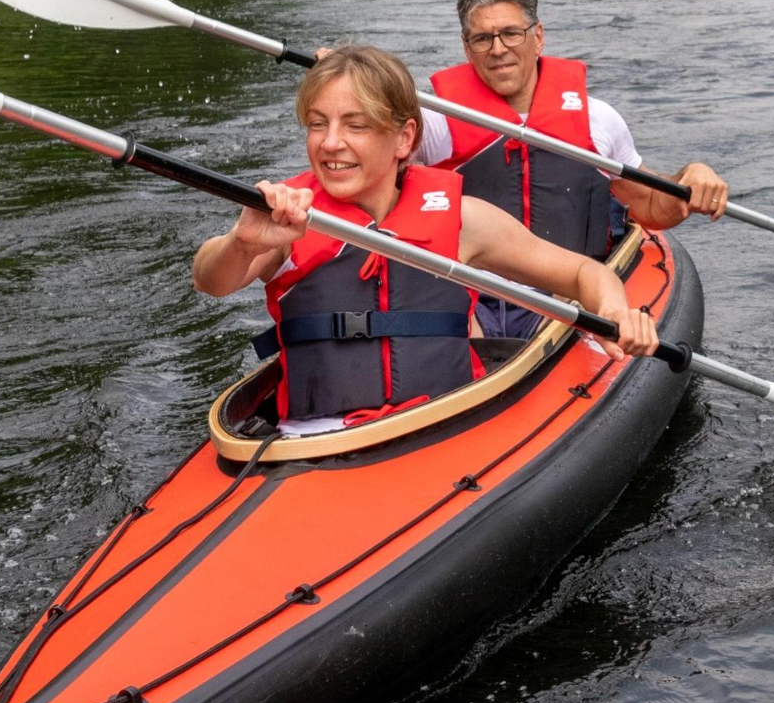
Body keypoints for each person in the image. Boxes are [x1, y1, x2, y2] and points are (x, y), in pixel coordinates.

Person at [193, 46, 660, 436]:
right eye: (318, 124)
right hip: (314, 439)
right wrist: (243, 242)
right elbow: (210, 281)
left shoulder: (460, 219)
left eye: (355, 126)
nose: (330, 143)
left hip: (450, 421)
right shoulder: (287, 215)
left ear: (404, 137)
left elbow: (584, 272)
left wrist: (616, 312)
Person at [417, 0, 727, 335]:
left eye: (511, 33)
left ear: (538, 37)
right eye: (483, 38)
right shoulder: (433, 122)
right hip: (469, 298)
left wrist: (692, 177)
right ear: (467, 49)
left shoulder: (598, 120)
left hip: (568, 295)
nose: (498, 48)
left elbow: (651, 208)